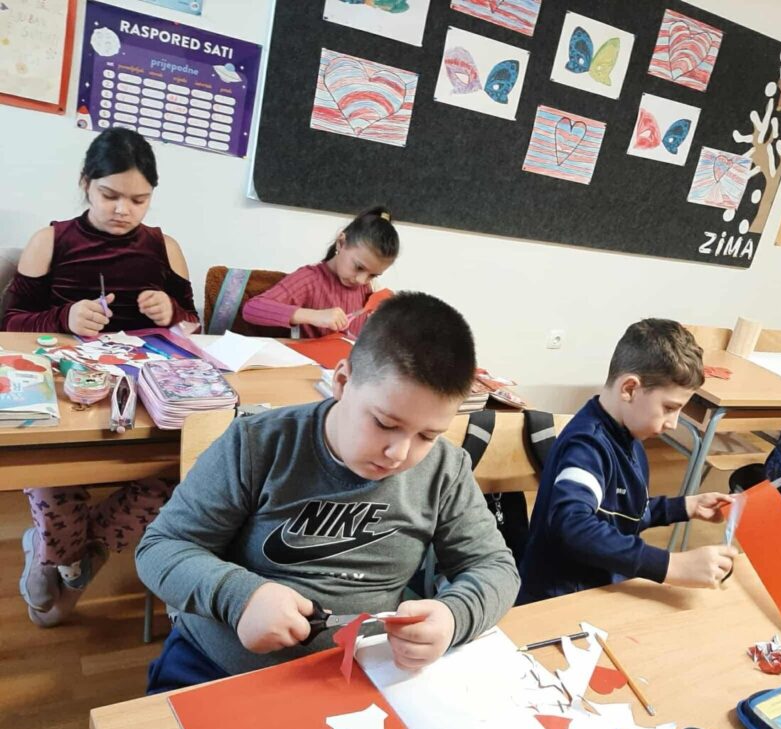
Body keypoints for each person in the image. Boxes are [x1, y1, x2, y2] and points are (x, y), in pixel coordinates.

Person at [138, 292, 519, 692]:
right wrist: (240, 597)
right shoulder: (257, 445)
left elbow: (494, 567)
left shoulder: (444, 468)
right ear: (341, 382)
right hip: (217, 666)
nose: (399, 453)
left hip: (362, 675)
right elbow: (161, 547)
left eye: (427, 435)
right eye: (385, 424)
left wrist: (454, 616)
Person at [2, 127, 199, 627]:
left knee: (170, 478)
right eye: (110, 195)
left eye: (139, 200)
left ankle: (59, 557)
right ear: (85, 183)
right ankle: (71, 562)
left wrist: (171, 311)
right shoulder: (51, 240)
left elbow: (193, 324)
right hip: (68, 396)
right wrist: (63, 317)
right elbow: (10, 324)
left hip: (142, 399)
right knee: (53, 475)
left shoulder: (164, 246)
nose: (123, 210)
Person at [517, 319, 737, 604]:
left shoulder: (629, 438)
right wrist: (671, 565)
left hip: (599, 588)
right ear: (630, 389)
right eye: (669, 408)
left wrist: (684, 506)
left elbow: (624, 513)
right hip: (558, 600)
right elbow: (572, 526)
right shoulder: (586, 445)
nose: (673, 423)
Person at [242, 206, 398, 338]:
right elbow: (252, 309)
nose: (361, 280)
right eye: (359, 267)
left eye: (373, 275)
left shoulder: (368, 289)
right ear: (341, 243)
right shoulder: (310, 279)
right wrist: (313, 316)